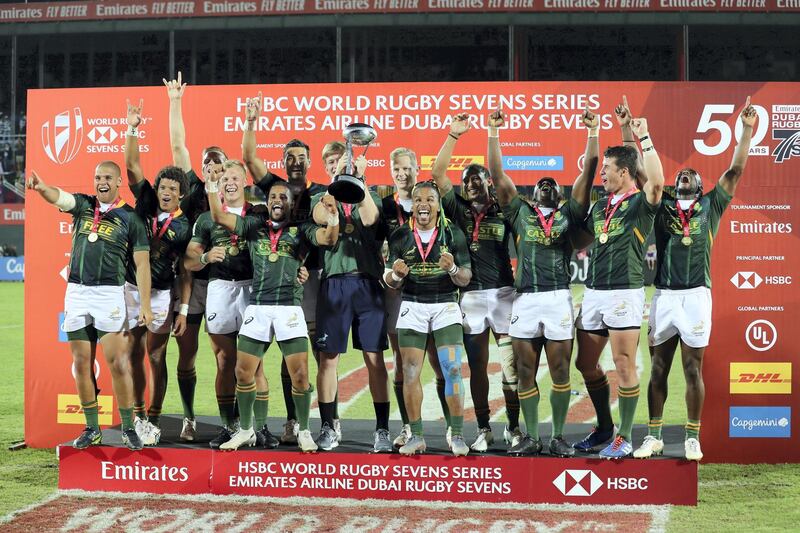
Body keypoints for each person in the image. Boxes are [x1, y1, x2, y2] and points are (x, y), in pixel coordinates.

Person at [634, 97, 757, 462]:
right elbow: (642, 176)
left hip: (697, 296)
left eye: (691, 175)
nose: (684, 175)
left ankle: (691, 436)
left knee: (692, 368)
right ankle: (653, 435)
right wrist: (635, 134)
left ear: (701, 184)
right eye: (680, 175)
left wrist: (746, 131)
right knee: (658, 366)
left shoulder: (710, 205)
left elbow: (734, 172)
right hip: (665, 296)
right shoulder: (663, 207)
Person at [486, 107, 599, 456]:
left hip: (558, 298)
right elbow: (497, 173)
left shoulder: (569, 213)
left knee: (562, 369)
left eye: (552, 183)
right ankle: (532, 436)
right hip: (526, 299)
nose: (547, 184)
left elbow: (590, 170)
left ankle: (559, 436)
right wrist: (493, 131)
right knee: (524, 370)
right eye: (541, 184)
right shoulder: (519, 210)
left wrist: (593, 131)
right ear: (533, 194)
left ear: (560, 195)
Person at [205, 173, 340, 451]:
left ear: (291, 204)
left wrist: (334, 217)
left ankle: (303, 431)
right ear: (266, 202)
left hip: (289, 308)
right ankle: (246, 430)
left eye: (283, 197)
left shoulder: (301, 229)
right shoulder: (254, 225)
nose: (277, 200)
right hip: (257, 306)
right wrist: (210, 186)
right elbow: (219, 217)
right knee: (243, 373)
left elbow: (327, 238)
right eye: (273, 197)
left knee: (300, 374)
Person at [27, 162, 152, 451]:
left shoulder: (131, 218)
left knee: (118, 364)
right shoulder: (84, 205)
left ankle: (128, 427)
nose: (101, 182)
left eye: (107, 177)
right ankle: (92, 428)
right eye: (97, 177)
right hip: (77, 293)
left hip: (109, 295)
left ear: (119, 181)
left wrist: (145, 304)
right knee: (81, 363)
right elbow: (61, 197)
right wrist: (42, 187)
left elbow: (142, 263)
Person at [241, 93, 336, 445]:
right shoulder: (275, 188)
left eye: (301, 158)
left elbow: (330, 232)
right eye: (290, 158)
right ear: (284, 162)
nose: (295, 163)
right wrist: (252, 122)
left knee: (320, 353)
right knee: (288, 354)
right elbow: (250, 157)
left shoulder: (321, 192)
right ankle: (294, 422)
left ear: (310, 162)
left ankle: (328, 422)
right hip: (284, 278)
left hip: (315, 277)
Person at [572, 116, 665, 459]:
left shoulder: (641, 202)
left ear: (624, 172)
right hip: (594, 291)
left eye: (607, 169)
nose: (602, 174)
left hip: (625, 291)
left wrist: (643, 137)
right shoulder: (600, 205)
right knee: (585, 363)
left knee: (624, 362)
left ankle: (624, 437)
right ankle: (605, 427)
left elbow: (656, 182)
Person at [430, 114, 521, 452]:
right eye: (465, 179)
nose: (470, 184)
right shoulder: (456, 209)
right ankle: (484, 427)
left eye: (476, 178)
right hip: (468, 295)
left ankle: (513, 426)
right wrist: (453, 134)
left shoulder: (505, 209)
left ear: (487, 180)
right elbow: (438, 175)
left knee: (511, 365)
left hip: (503, 292)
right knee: (478, 366)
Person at [310, 155, 392, 452]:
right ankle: (329, 426)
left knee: (375, 359)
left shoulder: (369, 196)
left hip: (368, 284)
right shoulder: (321, 197)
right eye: (334, 163)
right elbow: (321, 218)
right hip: (335, 283)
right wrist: (333, 197)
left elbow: (370, 220)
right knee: (328, 359)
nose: (339, 167)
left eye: (343, 163)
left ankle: (382, 429)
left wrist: (359, 180)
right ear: (327, 167)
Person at [385, 181, 473, 456]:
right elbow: (389, 280)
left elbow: (466, 278)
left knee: (453, 370)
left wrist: (453, 269)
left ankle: (457, 434)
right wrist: (396, 275)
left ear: (438, 204)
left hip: (446, 305)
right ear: (412, 205)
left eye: (430, 199)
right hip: (412, 305)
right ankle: (417, 435)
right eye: (418, 199)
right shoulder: (399, 236)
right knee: (410, 372)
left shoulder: (453, 233)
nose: (423, 203)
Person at [124, 98, 193, 446]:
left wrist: (182, 309)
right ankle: (136, 415)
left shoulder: (185, 226)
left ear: (181, 194)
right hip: (132, 288)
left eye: (172, 189)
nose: (166, 192)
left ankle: (153, 415)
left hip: (163, 293)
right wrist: (133, 128)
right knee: (132, 352)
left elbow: (184, 272)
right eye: (163, 186)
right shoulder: (146, 200)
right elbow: (132, 164)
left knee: (156, 355)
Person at [164, 72, 229, 442]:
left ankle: (230, 420)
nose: (215, 172)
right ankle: (188, 418)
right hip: (189, 284)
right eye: (209, 167)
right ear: (202, 170)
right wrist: (175, 102)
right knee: (187, 355)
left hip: (224, 284)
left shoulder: (234, 199)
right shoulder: (190, 196)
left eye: (220, 167)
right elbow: (178, 146)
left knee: (226, 358)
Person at [380, 147, 451, 449]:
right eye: (397, 168)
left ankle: (452, 428)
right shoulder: (384, 206)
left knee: (440, 362)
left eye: (408, 168)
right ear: (391, 171)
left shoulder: (432, 200)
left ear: (416, 170)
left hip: (435, 288)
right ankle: (409, 427)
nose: (402, 173)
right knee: (402, 363)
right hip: (399, 290)